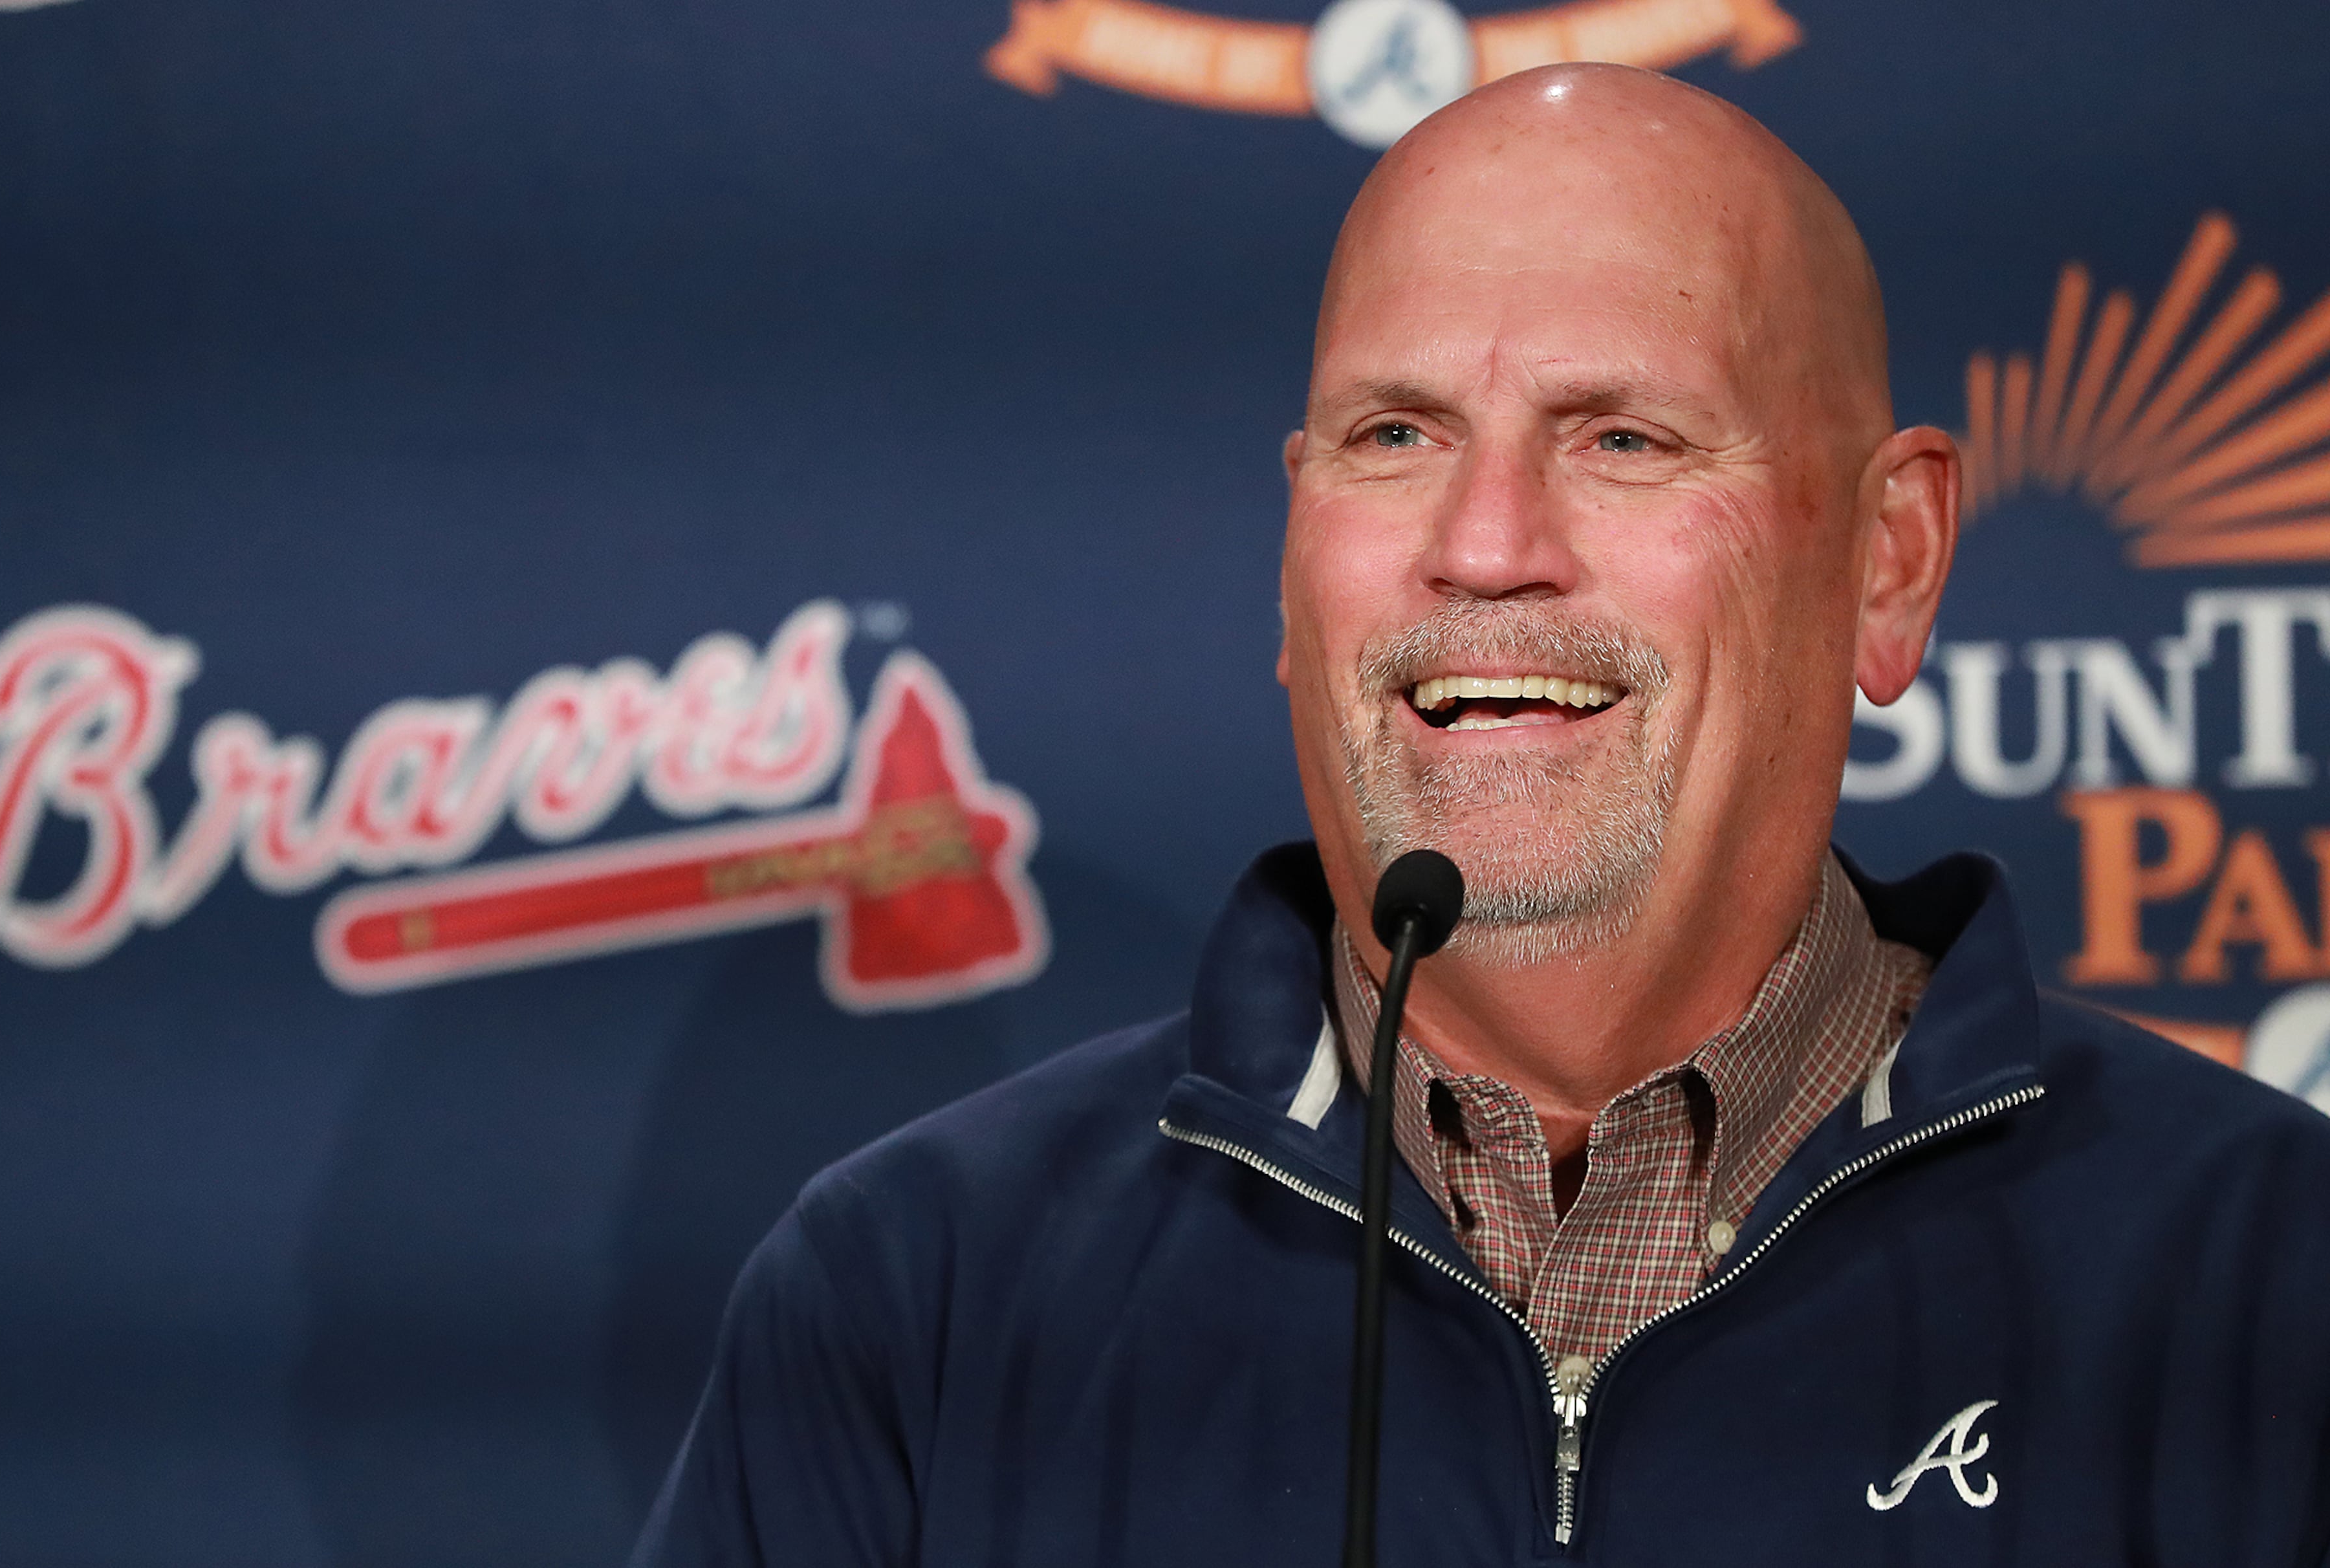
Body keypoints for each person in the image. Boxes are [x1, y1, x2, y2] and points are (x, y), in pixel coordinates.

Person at [635, 65, 2330, 1566]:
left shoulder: (2270, 1282)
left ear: (1890, 561)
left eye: (1623, 437)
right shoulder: (914, 1300)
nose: (1487, 538)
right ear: (1294, 561)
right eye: (1397, 432)